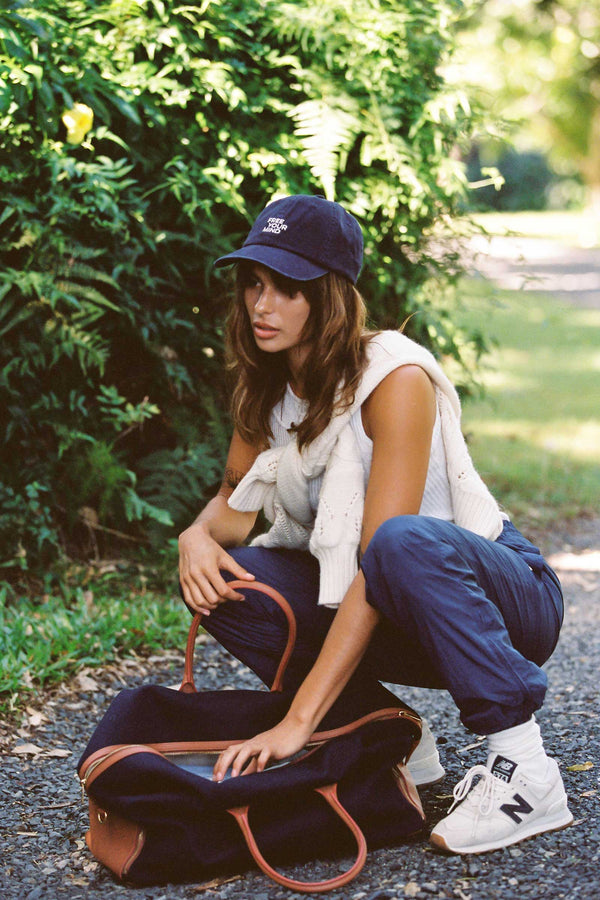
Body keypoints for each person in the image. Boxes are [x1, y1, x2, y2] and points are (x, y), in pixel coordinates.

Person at [178, 194, 573, 855]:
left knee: (397, 541)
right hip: (399, 601)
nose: (260, 305)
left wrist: (298, 720)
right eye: (253, 283)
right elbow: (230, 511)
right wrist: (193, 538)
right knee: (231, 580)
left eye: (286, 287)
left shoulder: (393, 376)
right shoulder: (267, 389)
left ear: (328, 296)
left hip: (506, 599)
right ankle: (389, 735)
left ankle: (525, 772)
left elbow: (378, 560)